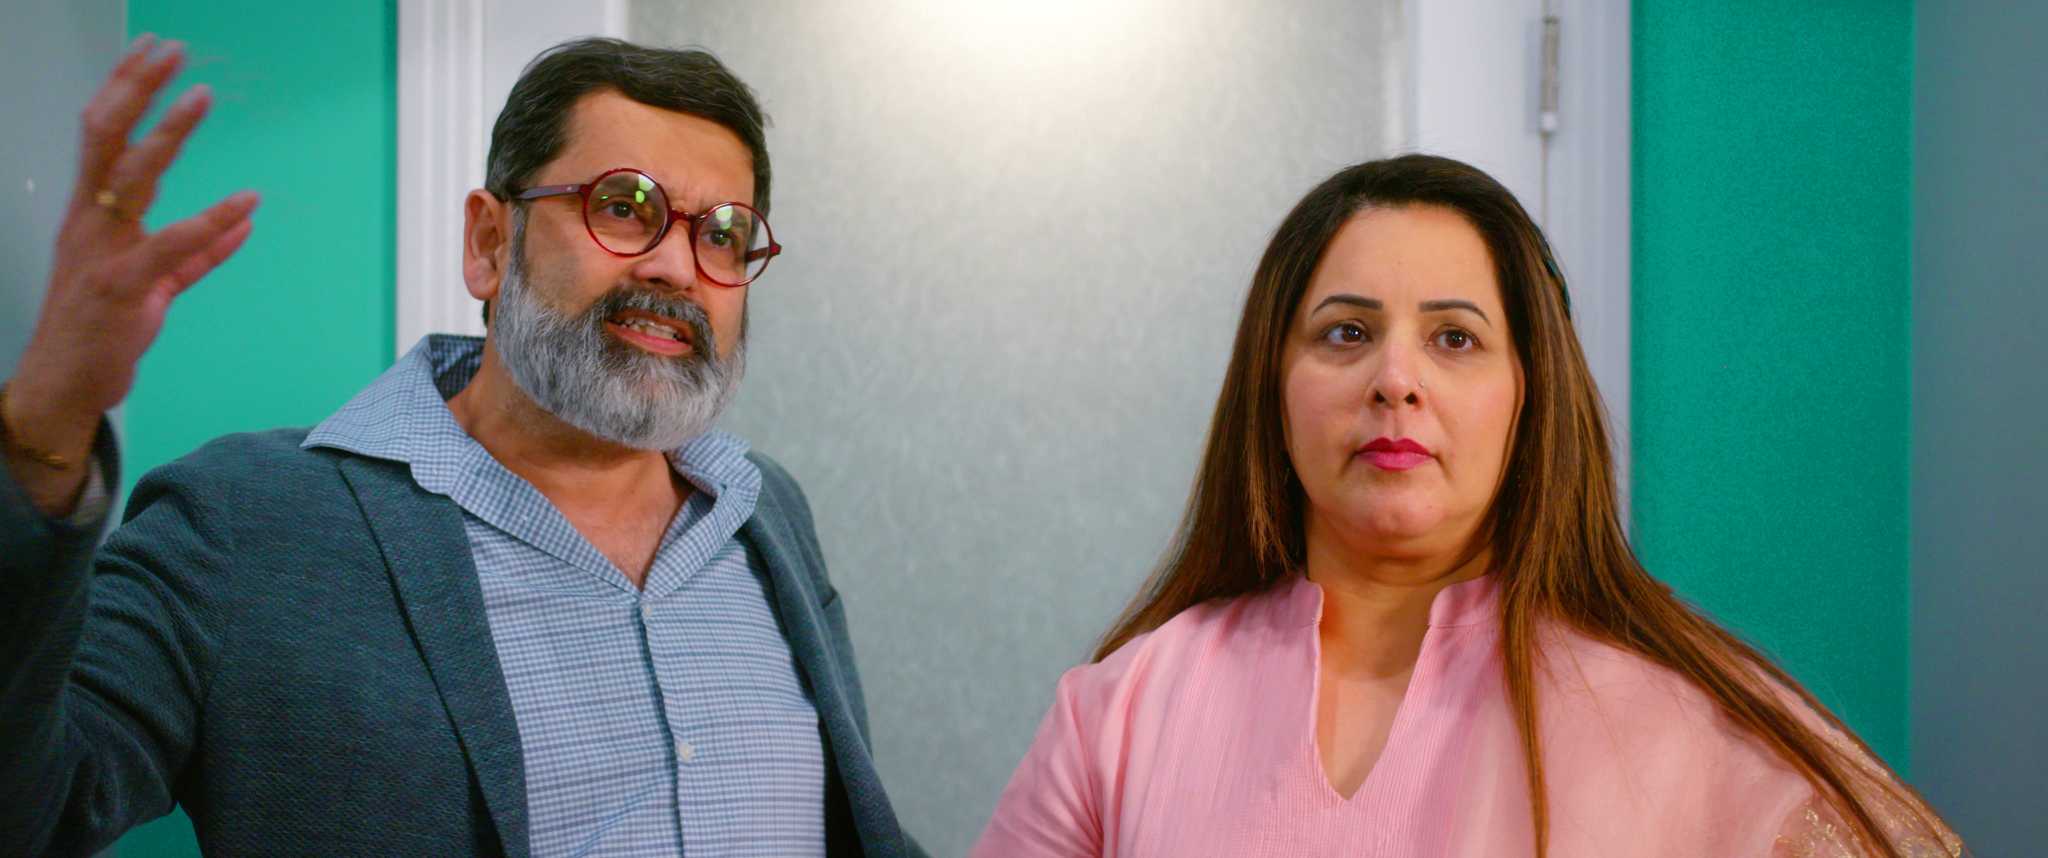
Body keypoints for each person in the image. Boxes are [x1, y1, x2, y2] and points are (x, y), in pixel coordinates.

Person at [1, 35, 918, 857]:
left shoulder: (763, 509)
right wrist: (45, 423)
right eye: (623, 206)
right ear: (489, 243)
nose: (677, 266)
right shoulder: (244, 523)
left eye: (723, 235)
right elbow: (30, 813)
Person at [972, 155, 1962, 857]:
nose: (1394, 380)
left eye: (1454, 339)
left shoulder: (1693, 721)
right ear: (1271, 387)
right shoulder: (1117, 714)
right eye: (1345, 333)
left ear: (1527, 395)